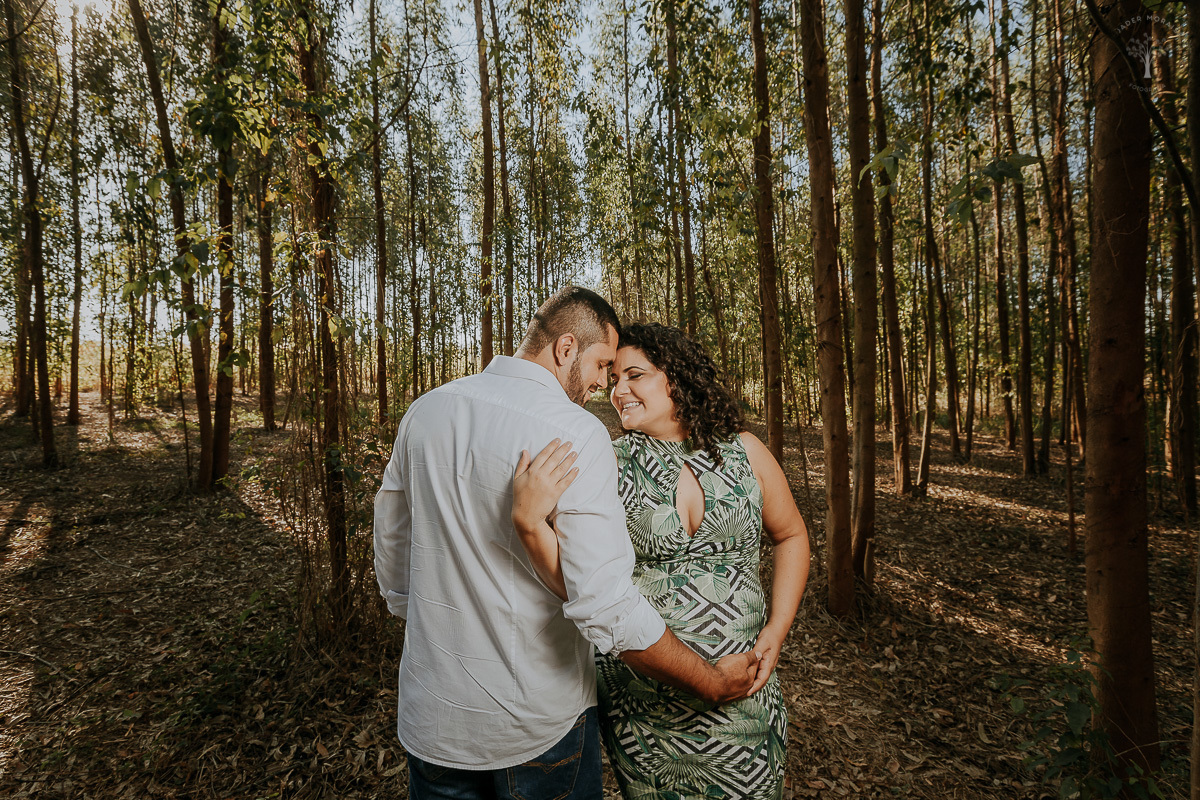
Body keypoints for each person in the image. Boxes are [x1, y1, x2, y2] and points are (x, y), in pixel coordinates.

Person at [373, 287, 760, 800]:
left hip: (433, 718)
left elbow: (394, 550)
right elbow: (605, 603)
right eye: (602, 364)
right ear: (565, 348)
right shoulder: (573, 432)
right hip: (537, 725)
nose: (603, 383)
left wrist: (432, 617)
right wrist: (710, 682)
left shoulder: (425, 412)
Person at [513, 322, 810, 800]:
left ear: (677, 377)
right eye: (613, 379)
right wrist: (530, 525)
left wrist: (776, 630)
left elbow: (792, 535)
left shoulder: (745, 451)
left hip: (745, 697)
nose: (618, 390)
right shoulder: (602, 464)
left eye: (635, 375)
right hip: (646, 707)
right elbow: (575, 582)